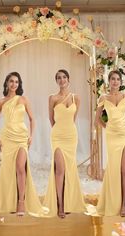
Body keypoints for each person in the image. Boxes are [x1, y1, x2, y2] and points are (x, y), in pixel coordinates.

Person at [0, 72, 46, 216]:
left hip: (21, 136)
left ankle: (21, 201)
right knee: (8, 170)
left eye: (16, 82)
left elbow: (32, 119)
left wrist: (31, 136)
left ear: (19, 84)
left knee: (21, 167)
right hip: (7, 137)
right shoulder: (0, 101)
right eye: (11, 81)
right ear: (6, 83)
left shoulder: (23, 99)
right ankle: (9, 201)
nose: (14, 84)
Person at [95, 70, 125, 217]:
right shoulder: (103, 97)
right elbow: (98, 119)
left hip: (124, 135)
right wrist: (107, 127)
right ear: (109, 81)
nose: (115, 82)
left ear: (121, 82)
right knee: (114, 169)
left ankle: (124, 204)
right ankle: (113, 202)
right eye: (113, 79)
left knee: (124, 169)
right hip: (112, 136)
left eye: (117, 79)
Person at [43, 69, 85, 218]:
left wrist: (68, 129)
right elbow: (51, 118)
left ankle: (69, 201)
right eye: (59, 78)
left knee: (69, 168)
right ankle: (60, 204)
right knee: (59, 169)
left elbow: (73, 118)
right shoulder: (52, 98)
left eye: (64, 77)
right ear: (56, 81)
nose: (62, 80)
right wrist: (58, 130)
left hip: (71, 136)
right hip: (58, 136)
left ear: (68, 79)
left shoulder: (76, 98)